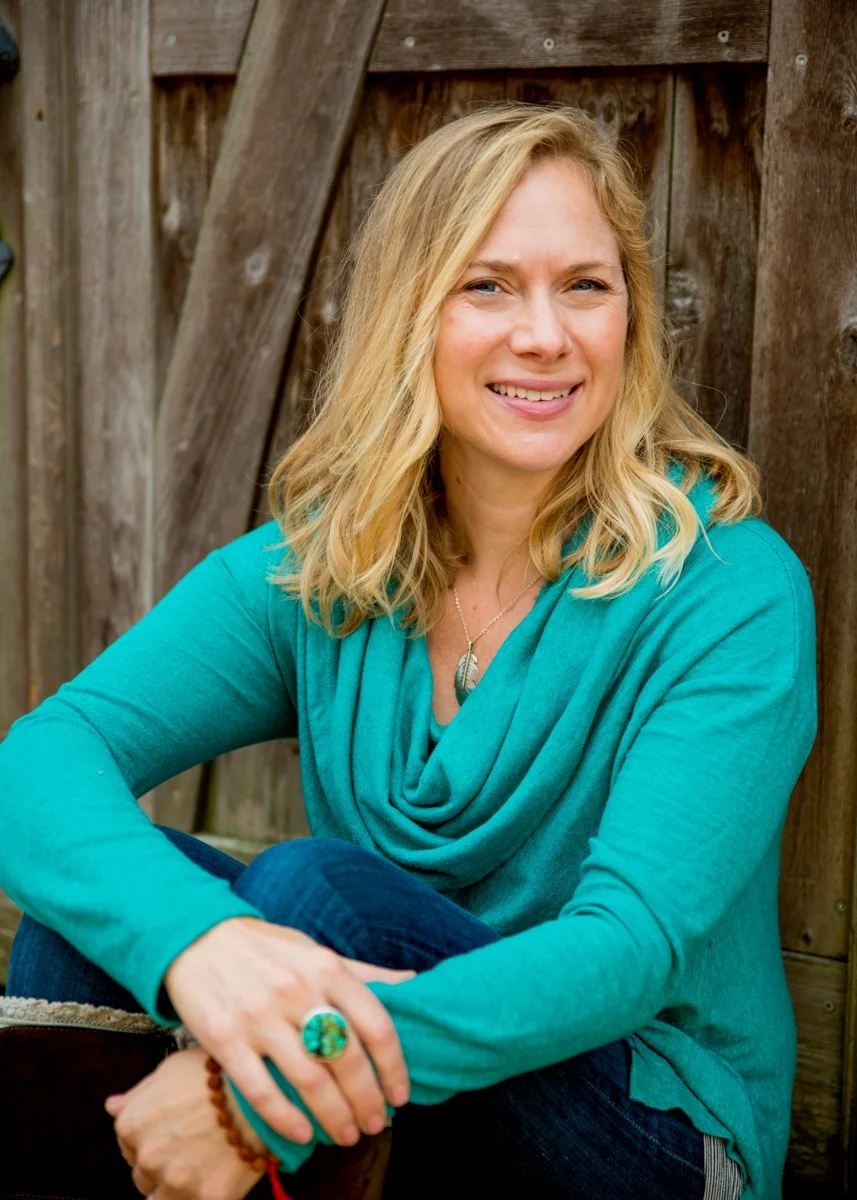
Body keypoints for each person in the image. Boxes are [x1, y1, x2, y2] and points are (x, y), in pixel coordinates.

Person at [0, 104, 816, 1200]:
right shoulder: (331, 567)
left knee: (318, 893)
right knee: (100, 908)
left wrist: (257, 1097)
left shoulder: (724, 588)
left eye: (584, 285)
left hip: (647, 1124)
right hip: (400, 1115)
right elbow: (43, 758)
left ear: (629, 314)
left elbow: (629, 951)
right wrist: (197, 947)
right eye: (488, 286)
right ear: (409, 312)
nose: (544, 334)